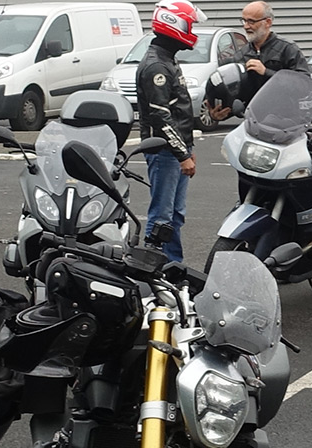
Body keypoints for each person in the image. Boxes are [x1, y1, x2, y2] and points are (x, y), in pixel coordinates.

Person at [136, 0, 207, 262]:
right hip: (164, 152)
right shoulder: (157, 66)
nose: (193, 30)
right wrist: (182, 154)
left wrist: (190, 148)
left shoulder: (167, 60)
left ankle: (173, 267)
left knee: (175, 214)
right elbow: (161, 117)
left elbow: (178, 113)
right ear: (175, 24)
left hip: (176, 150)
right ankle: (149, 266)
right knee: (162, 216)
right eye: (190, 24)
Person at [208, 2, 309, 121]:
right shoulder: (241, 54)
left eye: (251, 21)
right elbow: (236, 96)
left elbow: (304, 84)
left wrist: (266, 72)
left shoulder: (287, 49)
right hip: (253, 124)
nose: (246, 26)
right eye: (244, 21)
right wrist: (219, 114)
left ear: (268, 22)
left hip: (286, 122)